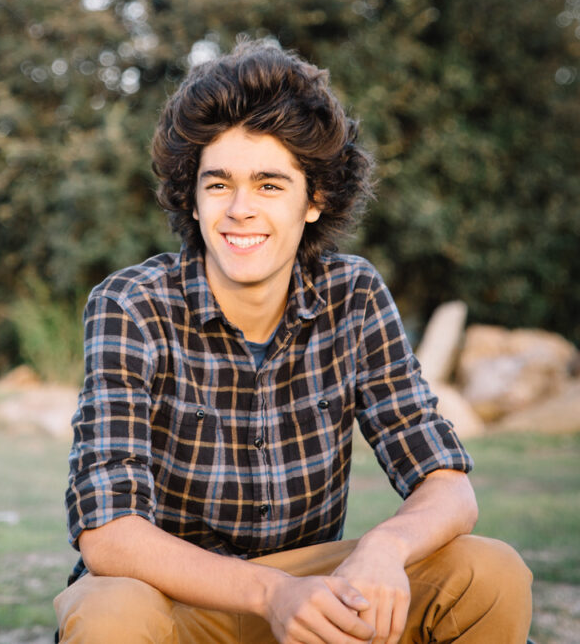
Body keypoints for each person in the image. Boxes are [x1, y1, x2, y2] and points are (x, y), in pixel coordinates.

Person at [55, 41, 532, 643]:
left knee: (488, 572)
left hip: (314, 602)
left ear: (316, 199)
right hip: (174, 600)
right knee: (109, 612)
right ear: (193, 199)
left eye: (270, 185)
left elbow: (448, 486)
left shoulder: (352, 294)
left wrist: (384, 548)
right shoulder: (131, 304)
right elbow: (109, 531)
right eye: (219, 184)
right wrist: (271, 593)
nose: (240, 210)